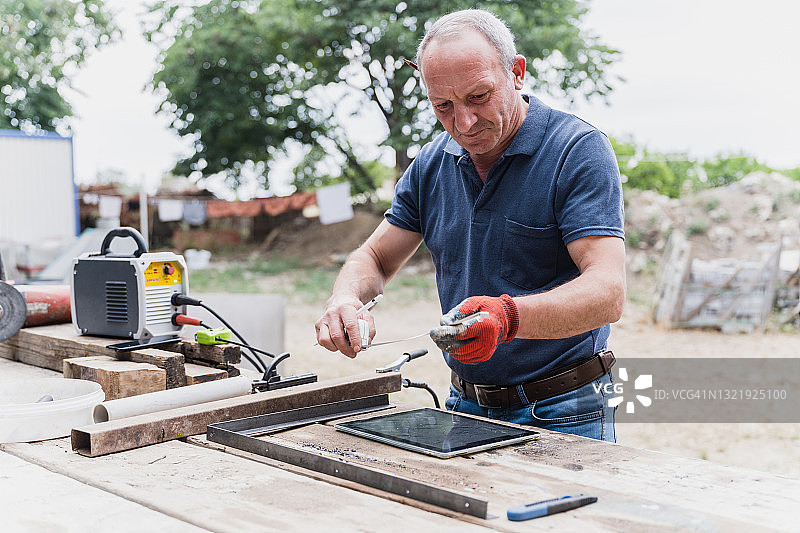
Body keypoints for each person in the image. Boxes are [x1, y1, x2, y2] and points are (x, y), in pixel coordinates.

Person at [315, 9, 625, 442]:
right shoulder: (431, 162)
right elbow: (375, 257)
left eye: (478, 96)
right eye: (443, 106)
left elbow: (607, 293)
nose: (463, 123)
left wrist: (507, 318)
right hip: (465, 404)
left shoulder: (577, 151)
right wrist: (345, 298)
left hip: (565, 408)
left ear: (516, 73)